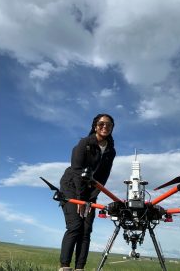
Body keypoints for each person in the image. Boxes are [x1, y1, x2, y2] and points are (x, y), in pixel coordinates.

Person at [58, 113, 116, 271]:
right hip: (71, 186)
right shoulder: (84, 143)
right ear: (95, 126)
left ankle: (80, 268)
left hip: (91, 191)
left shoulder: (111, 151)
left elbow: (103, 177)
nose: (105, 127)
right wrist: (81, 200)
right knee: (76, 226)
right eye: (101, 124)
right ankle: (65, 267)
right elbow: (77, 172)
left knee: (86, 229)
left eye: (109, 125)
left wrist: (91, 198)